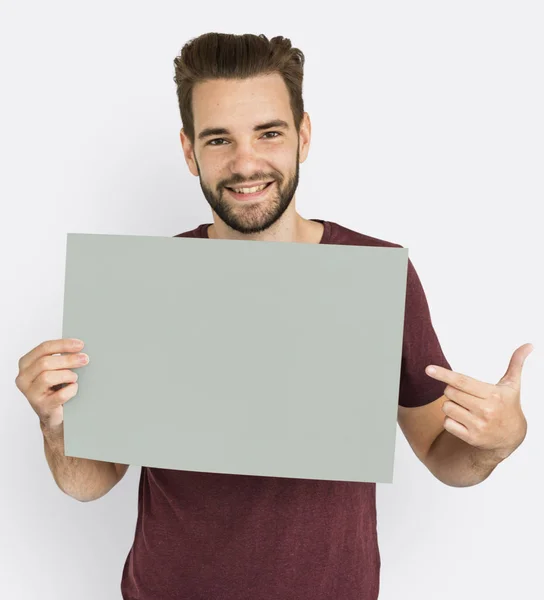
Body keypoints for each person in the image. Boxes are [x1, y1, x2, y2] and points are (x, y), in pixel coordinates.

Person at [16, 32, 530, 600]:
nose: (245, 163)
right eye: (219, 140)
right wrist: (55, 426)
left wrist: (497, 440)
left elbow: (443, 455)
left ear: (302, 135)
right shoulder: (144, 282)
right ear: (189, 152)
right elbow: (90, 482)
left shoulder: (376, 275)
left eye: (268, 132)